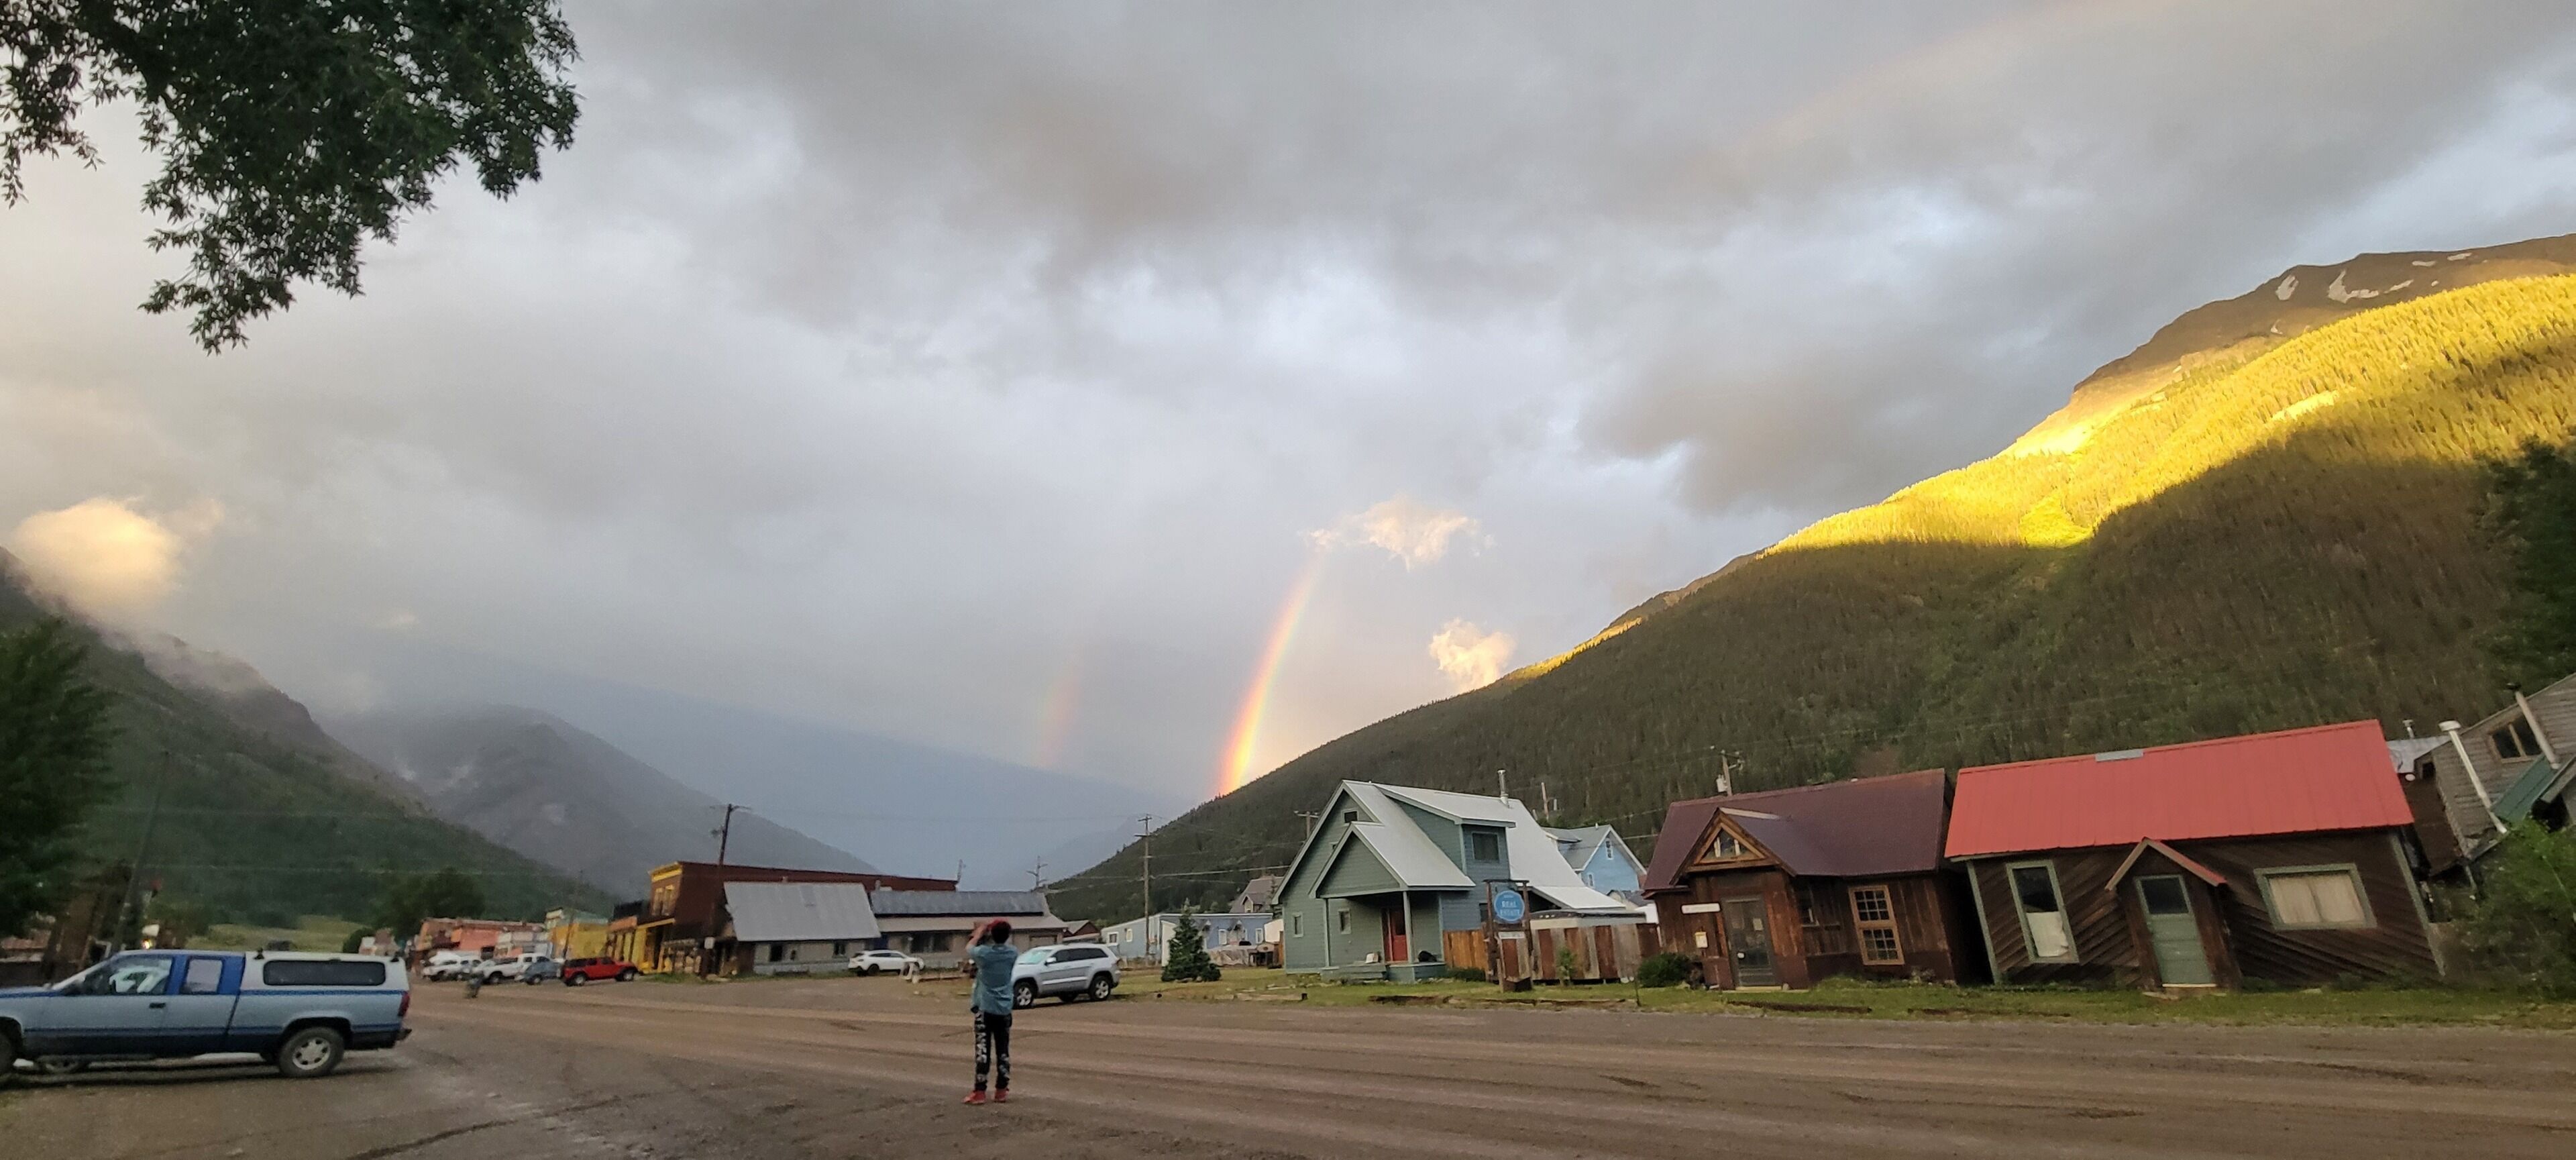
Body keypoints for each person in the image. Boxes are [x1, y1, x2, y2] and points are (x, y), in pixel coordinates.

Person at [963, 918, 1017, 1104]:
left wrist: (979, 933)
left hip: (986, 1007)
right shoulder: (1012, 953)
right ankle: (1001, 1089)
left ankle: (980, 1091)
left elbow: (970, 948)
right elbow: (1001, 944)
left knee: (983, 1050)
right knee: (1003, 1050)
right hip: (1004, 1008)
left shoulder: (984, 954)